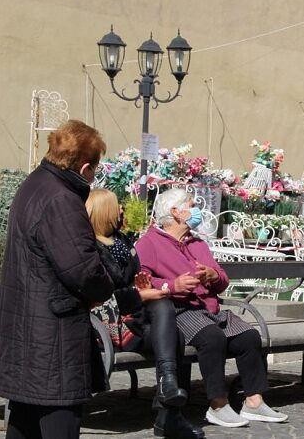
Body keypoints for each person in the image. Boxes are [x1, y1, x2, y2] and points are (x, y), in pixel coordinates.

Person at [0, 120, 115, 439]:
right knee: (56, 419)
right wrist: (104, 287)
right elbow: (82, 269)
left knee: (25, 417)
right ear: (85, 166)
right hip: (53, 332)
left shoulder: (34, 184)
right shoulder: (61, 198)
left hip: (29, 322)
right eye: (95, 169)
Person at [135, 188, 287, 429]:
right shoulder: (149, 243)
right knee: (212, 338)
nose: (198, 211)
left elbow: (223, 280)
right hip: (179, 309)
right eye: (192, 205)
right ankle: (218, 405)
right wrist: (173, 285)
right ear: (176, 212)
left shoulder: (197, 243)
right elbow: (140, 281)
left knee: (249, 337)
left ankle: (254, 401)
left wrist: (213, 275)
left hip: (211, 308)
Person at [86, 188, 204, 439]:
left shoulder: (121, 243)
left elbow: (131, 284)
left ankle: (168, 397)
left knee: (168, 319)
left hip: (132, 318)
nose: (121, 210)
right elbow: (96, 296)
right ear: (104, 211)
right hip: (107, 325)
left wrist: (141, 288)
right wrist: (138, 295)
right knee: (172, 331)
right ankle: (169, 410)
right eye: (117, 206)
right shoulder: (89, 247)